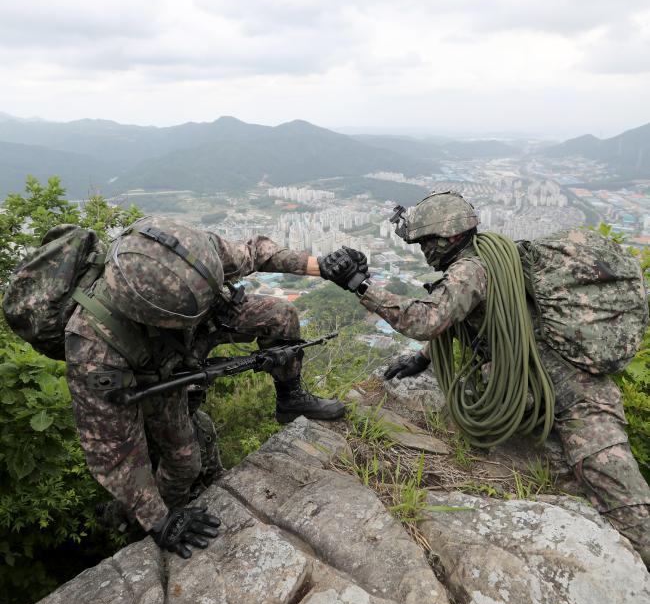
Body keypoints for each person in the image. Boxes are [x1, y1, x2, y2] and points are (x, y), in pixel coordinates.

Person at [318, 193, 650, 565]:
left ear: (448, 238)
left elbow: (429, 320)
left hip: (572, 384)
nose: (425, 250)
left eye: (427, 241)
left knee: (620, 490)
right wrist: (424, 358)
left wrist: (360, 285)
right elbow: (466, 318)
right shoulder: (493, 255)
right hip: (538, 373)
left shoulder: (473, 269)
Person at [66, 216, 345, 557]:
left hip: (190, 327)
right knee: (184, 460)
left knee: (280, 316)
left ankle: (291, 398)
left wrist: (321, 267)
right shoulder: (93, 347)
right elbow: (113, 455)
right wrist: (158, 521)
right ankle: (157, 516)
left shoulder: (194, 255)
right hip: (152, 367)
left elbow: (257, 252)